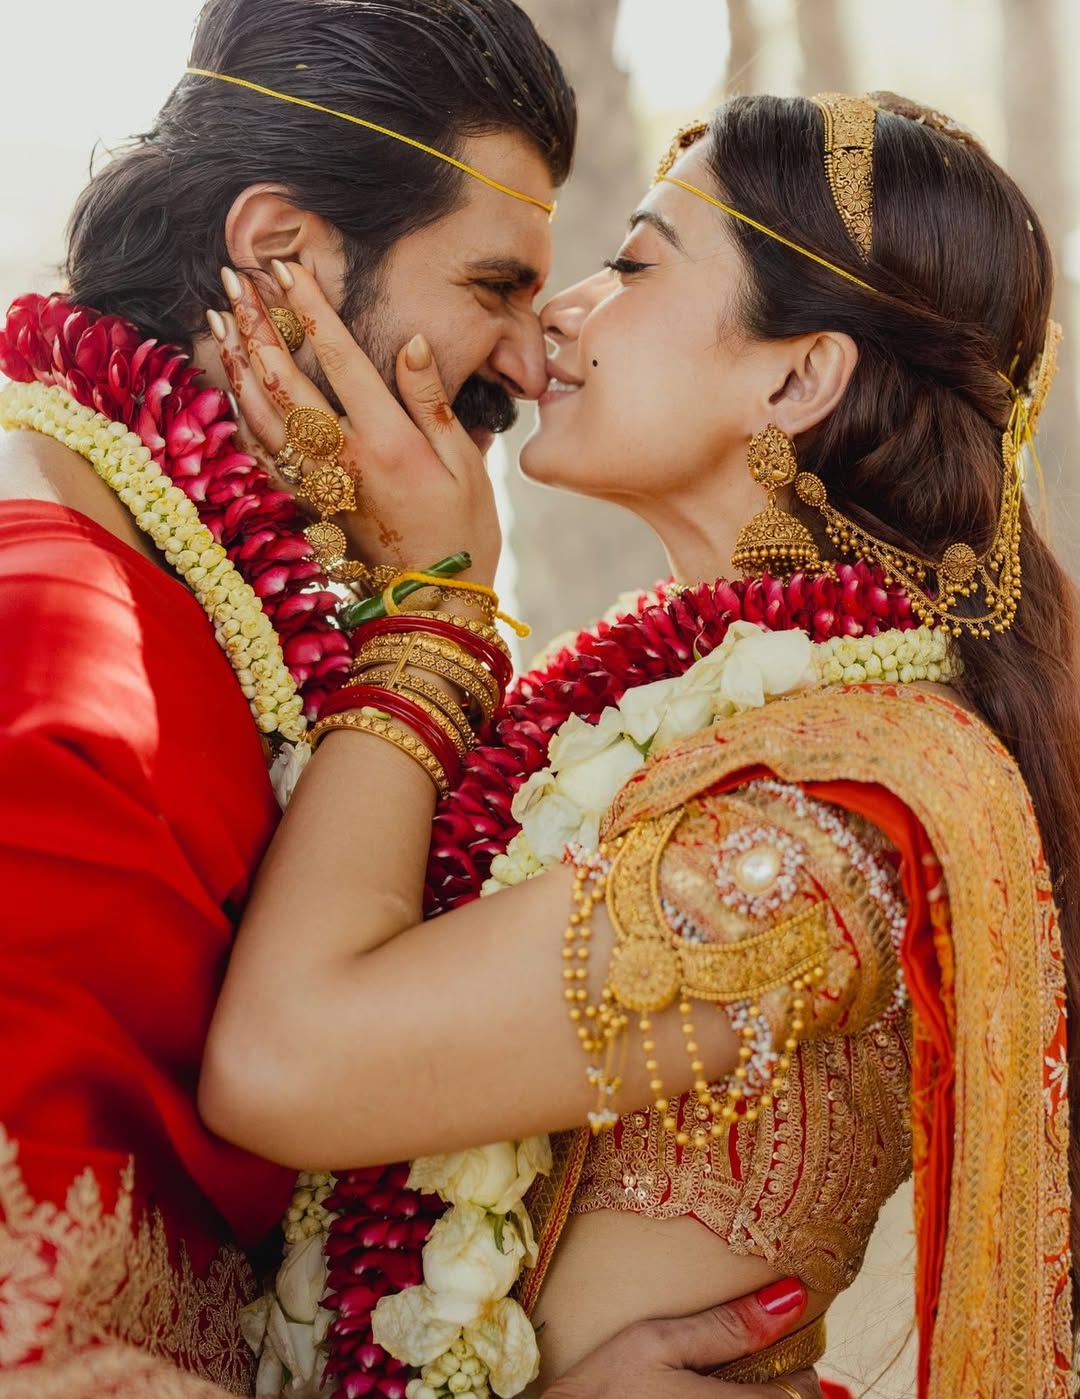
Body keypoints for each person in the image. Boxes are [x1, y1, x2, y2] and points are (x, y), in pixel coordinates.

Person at [195, 90, 1076, 1397]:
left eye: (636, 263)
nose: (563, 308)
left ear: (795, 374)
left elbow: (280, 1066)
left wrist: (434, 610)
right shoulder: (707, 720)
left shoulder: (816, 835)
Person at [5, 2, 803, 1395]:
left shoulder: (233, 600)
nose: (529, 356)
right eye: (493, 287)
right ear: (280, 255)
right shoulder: (56, 628)